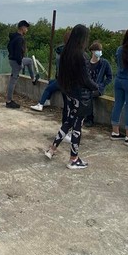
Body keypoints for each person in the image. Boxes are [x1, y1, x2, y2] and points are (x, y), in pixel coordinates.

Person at [44, 24, 98, 169]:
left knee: (68, 122)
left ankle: (52, 149)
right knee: (77, 127)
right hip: (81, 96)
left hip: (69, 93)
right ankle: (73, 159)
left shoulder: (66, 53)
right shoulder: (81, 55)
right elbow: (86, 79)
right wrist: (96, 87)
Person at [30, 30, 70, 112]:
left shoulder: (60, 50)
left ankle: (41, 104)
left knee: (49, 87)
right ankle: (45, 102)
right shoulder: (69, 52)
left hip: (61, 79)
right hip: (65, 79)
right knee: (50, 84)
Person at [6, 20, 38, 108]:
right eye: (26, 28)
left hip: (13, 60)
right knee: (13, 81)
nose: (27, 30)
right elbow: (18, 53)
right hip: (16, 61)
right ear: (22, 28)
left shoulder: (14, 37)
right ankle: (8, 101)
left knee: (29, 61)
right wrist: (20, 64)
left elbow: (8, 47)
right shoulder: (20, 39)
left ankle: (33, 79)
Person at [83, 41, 113, 126]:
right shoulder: (87, 63)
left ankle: (90, 119)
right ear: (92, 51)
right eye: (97, 50)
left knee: (89, 95)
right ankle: (81, 116)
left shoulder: (104, 63)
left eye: (100, 50)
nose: (99, 52)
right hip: (88, 86)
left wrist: (102, 84)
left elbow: (109, 77)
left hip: (98, 88)